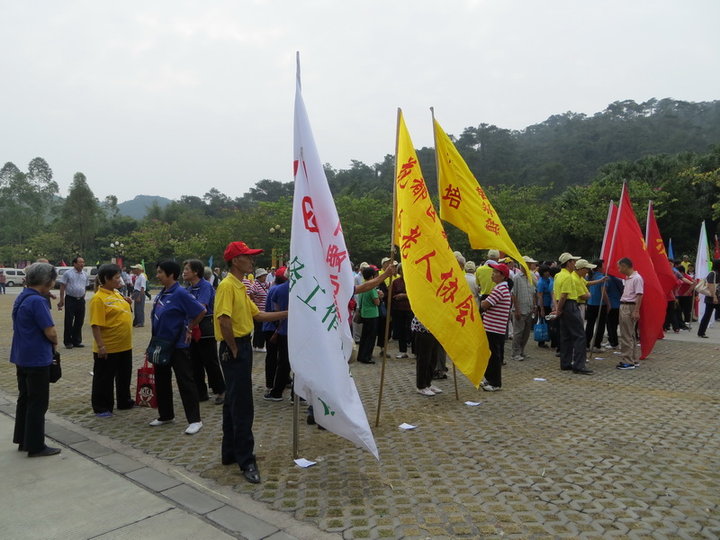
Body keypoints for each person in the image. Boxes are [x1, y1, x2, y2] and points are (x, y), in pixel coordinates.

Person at [215, 241, 287, 484]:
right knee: (243, 405)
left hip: (239, 345)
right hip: (235, 346)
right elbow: (224, 320)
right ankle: (246, 460)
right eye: (247, 257)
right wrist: (234, 347)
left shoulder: (239, 286)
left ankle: (230, 452)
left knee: (233, 402)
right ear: (236, 260)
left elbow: (258, 315)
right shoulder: (227, 286)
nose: (252, 261)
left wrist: (289, 312)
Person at [148, 260, 207, 435]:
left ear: (171, 274)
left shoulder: (180, 293)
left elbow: (200, 311)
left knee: (185, 381)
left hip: (177, 345)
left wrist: (189, 327)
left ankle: (195, 420)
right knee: (161, 379)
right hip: (161, 344)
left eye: (160, 272)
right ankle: (165, 415)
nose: (157, 275)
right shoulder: (163, 293)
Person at [11, 262, 61, 457]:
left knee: (24, 399)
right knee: (38, 402)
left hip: (21, 356)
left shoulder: (23, 296)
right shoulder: (38, 301)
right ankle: (36, 445)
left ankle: (23, 439)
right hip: (37, 358)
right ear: (47, 281)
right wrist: (55, 344)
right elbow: (50, 331)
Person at [89, 264, 134, 417]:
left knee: (124, 376)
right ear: (107, 279)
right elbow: (95, 325)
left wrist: (127, 303)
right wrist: (101, 346)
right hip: (108, 346)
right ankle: (102, 406)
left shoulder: (117, 293)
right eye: (116, 277)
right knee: (104, 378)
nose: (119, 280)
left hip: (124, 345)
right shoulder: (98, 299)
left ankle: (124, 401)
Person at [183, 259, 225, 405]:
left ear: (196, 272)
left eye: (187, 269)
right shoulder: (188, 288)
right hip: (191, 329)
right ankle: (201, 392)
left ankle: (221, 390)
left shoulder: (205, 286)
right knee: (195, 362)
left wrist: (190, 325)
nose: (184, 272)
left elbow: (202, 309)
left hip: (205, 330)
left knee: (210, 361)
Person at [553, 253, 592, 375]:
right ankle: (579, 365)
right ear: (568, 263)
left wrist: (557, 308)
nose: (574, 264)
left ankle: (565, 363)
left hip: (563, 305)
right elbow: (564, 295)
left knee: (566, 336)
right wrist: (559, 310)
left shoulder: (558, 275)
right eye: (573, 262)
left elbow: (555, 293)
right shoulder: (568, 277)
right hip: (570, 305)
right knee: (579, 335)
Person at [479, 263, 513, 391]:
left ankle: (495, 383)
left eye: (495, 272)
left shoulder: (500, 289)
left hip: (494, 328)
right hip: (494, 327)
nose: (492, 274)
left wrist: (483, 302)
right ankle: (489, 379)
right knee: (491, 354)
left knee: (494, 356)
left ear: (502, 276)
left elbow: (485, 305)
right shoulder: (501, 287)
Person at [616, 258, 644, 369]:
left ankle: (628, 361)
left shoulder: (636, 278)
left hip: (629, 306)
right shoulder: (628, 278)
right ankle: (634, 359)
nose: (619, 270)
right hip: (625, 305)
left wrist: (636, 310)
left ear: (625, 266)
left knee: (626, 335)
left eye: (619, 267)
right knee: (630, 334)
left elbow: (640, 295)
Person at [57, 256, 89, 348]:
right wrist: (61, 299)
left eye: (83, 262)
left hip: (80, 300)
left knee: (79, 320)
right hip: (70, 299)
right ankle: (68, 341)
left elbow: (85, 287)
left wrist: (83, 296)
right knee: (69, 320)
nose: (82, 264)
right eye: (80, 262)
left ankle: (77, 341)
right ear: (74, 264)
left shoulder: (85, 274)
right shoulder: (68, 273)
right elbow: (62, 286)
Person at [411, 315, 444, 396]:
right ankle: (421, 386)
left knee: (433, 359)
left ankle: (428, 383)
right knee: (424, 359)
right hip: (423, 329)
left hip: (434, 329)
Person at [511, 259, 536, 361]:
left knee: (526, 333)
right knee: (518, 332)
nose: (531, 266)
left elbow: (533, 293)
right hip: (520, 309)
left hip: (529, 308)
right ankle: (515, 353)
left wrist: (534, 306)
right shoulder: (516, 278)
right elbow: (513, 294)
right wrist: (517, 310)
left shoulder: (530, 277)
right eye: (529, 264)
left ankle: (522, 351)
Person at [357, 266, 381, 364]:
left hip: (364, 313)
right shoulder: (371, 288)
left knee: (364, 336)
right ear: (372, 276)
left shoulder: (363, 285)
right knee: (371, 337)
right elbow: (377, 302)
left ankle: (361, 355)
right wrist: (379, 297)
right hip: (372, 314)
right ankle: (367, 356)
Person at [391, 265, 413, 359]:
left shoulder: (412, 281)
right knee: (401, 330)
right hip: (399, 310)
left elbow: (416, 294)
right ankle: (402, 351)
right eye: (401, 270)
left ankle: (415, 351)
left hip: (410, 309)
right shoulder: (395, 282)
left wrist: (405, 296)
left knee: (412, 330)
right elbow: (392, 295)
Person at [248, 268, 270, 352]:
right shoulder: (255, 285)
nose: (265, 277)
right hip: (258, 310)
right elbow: (250, 293)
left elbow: (271, 284)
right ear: (259, 277)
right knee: (259, 329)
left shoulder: (264, 284)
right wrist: (255, 300)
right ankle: (259, 346)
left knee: (258, 329)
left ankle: (255, 345)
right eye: (263, 276)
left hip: (263, 310)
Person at [697, 258, 720, 338]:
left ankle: (701, 332)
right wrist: (714, 297)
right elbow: (711, 286)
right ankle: (701, 332)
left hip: (714, 297)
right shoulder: (713, 273)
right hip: (713, 298)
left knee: (707, 315)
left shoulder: (716, 273)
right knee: (707, 315)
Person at [536, 265, 555, 349]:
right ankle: (541, 341)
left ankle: (548, 338)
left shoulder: (548, 280)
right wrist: (542, 309)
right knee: (543, 322)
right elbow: (540, 296)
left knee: (549, 323)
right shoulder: (541, 282)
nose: (548, 273)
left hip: (549, 305)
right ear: (543, 273)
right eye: (547, 271)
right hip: (543, 305)